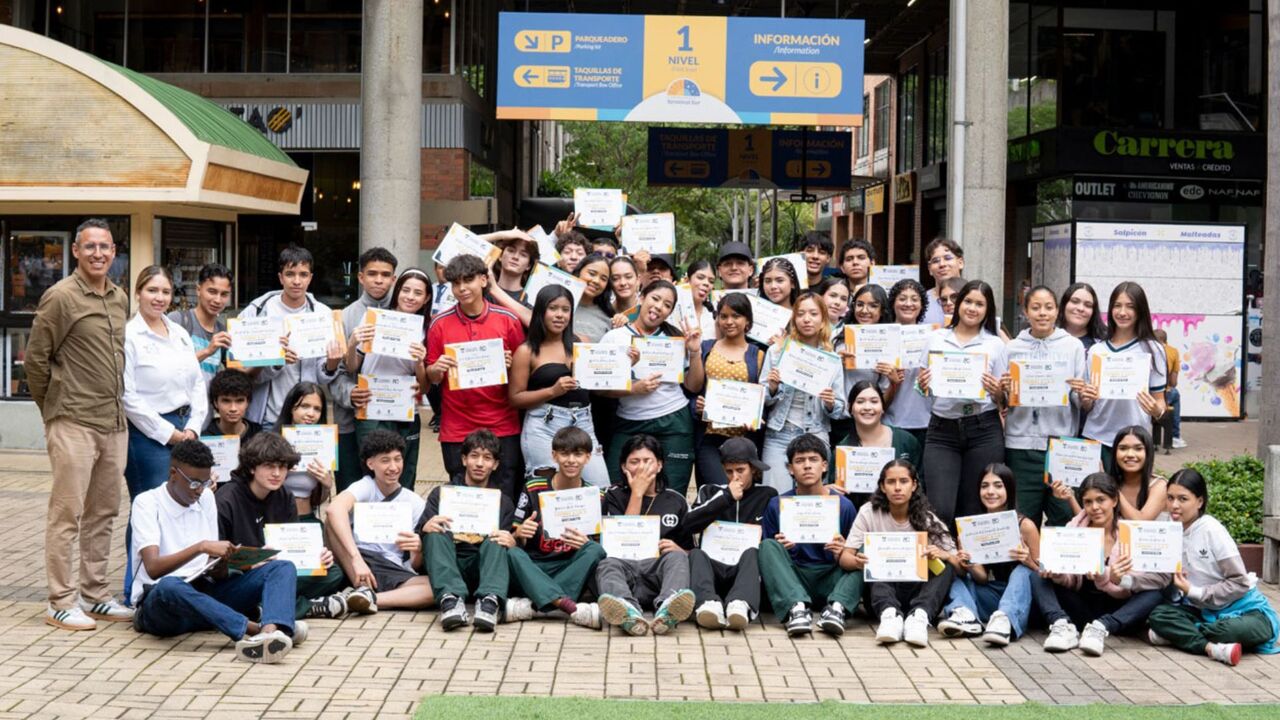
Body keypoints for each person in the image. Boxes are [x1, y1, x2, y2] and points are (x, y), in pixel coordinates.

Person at [29, 218, 133, 630]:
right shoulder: (60, 296)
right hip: (73, 419)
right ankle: (60, 600)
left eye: (105, 247)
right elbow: (37, 359)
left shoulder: (119, 297)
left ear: (114, 252)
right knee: (67, 513)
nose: (98, 254)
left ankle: (95, 594)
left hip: (114, 420)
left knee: (103, 512)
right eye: (90, 246)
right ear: (75, 251)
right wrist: (53, 410)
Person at [130, 439, 300, 664]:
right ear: (173, 474)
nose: (200, 490)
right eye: (194, 483)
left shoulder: (207, 498)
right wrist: (200, 547)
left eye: (205, 482)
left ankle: (270, 634)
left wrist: (228, 562)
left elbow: (214, 571)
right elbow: (153, 568)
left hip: (204, 596)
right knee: (170, 586)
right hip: (162, 605)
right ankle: (256, 630)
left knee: (281, 567)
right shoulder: (147, 503)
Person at [121, 265, 210, 600]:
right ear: (138, 293)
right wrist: (169, 434)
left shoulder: (179, 333)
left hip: (187, 428)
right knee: (148, 509)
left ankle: (178, 583)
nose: (159, 298)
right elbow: (128, 396)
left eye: (165, 292)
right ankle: (136, 589)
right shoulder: (129, 336)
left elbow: (197, 384)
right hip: (148, 435)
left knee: (183, 504)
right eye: (152, 290)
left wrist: (193, 427)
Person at [215, 432, 366, 620]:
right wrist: (249, 565)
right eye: (269, 466)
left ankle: (262, 609)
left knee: (333, 572)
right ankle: (305, 607)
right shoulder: (226, 500)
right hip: (242, 576)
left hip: (279, 568)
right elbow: (216, 564)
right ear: (252, 467)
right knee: (270, 579)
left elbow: (294, 545)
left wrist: (316, 557)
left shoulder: (284, 496)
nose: (277, 473)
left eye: (282, 467)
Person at [1148, 469, 1279, 665]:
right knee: (1159, 616)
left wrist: (1193, 591)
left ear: (1199, 501)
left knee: (1225, 631)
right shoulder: (1168, 530)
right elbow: (1160, 577)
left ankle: (1181, 636)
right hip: (1204, 612)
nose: (1174, 505)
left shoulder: (1211, 529)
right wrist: (1124, 579)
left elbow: (1240, 582)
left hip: (1247, 611)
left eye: (1183, 499)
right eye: (1170, 498)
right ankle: (1212, 648)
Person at [426, 254, 526, 500]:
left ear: (483, 280)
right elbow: (431, 377)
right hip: (457, 426)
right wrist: (436, 368)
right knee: (462, 498)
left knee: (504, 495)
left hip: (502, 424)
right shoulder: (439, 324)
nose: (462, 288)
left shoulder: (508, 320)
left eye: (468, 280)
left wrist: (511, 366)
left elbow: (523, 372)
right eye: (456, 283)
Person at [1033, 473, 1168, 656]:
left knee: (1155, 594)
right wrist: (1057, 574)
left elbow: (1136, 584)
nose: (1094, 507)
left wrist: (1112, 577)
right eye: (1088, 502)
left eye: (1101, 500)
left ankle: (1101, 628)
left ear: (1114, 500)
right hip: (1081, 606)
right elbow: (1070, 581)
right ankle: (1061, 625)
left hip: (1117, 610)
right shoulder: (1074, 530)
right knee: (1035, 576)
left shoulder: (1128, 534)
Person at [917, 280, 1008, 527]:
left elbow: (1002, 400)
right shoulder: (936, 338)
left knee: (975, 509)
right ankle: (945, 553)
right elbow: (922, 389)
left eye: (980, 304)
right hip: (942, 429)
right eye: (968, 301)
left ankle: (968, 554)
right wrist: (922, 385)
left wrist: (997, 391)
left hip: (983, 428)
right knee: (941, 509)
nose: (972, 308)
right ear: (958, 304)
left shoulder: (995, 344)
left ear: (988, 310)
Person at [601, 280, 704, 495]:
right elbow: (599, 389)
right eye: (655, 299)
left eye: (667, 305)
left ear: (670, 312)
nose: (659, 307)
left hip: (673, 421)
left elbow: (694, 386)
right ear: (641, 297)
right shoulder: (614, 337)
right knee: (615, 489)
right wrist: (633, 388)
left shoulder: (676, 338)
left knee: (672, 492)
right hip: (629, 421)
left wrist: (695, 352)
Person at [758, 433, 861, 637]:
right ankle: (796, 608)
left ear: (824, 466)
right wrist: (784, 549)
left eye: (813, 460)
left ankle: (837, 608)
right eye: (799, 461)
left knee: (864, 553)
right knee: (768, 546)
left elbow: (853, 551)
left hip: (832, 579)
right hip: (794, 578)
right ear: (790, 468)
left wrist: (843, 553)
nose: (807, 466)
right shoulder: (777, 505)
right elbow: (769, 557)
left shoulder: (844, 505)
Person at [847, 460, 958, 648]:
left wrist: (942, 555)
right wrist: (858, 562)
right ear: (883, 486)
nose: (897, 488)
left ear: (914, 485)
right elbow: (845, 557)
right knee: (870, 553)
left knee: (947, 564)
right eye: (891, 482)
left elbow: (960, 566)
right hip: (881, 594)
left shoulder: (927, 517)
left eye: (904, 481)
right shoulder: (869, 512)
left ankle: (919, 618)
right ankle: (890, 616)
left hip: (920, 591)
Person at [1003, 285, 1087, 528]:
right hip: (1020, 445)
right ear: (1025, 311)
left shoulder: (1072, 346)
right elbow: (1003, 400)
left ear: (1057, 311)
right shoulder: (1012, 348)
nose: (1042, 313)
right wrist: (1004, 389)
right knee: (1023, 518)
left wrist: (1083, 393)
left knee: (1065, 516)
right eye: (1036, 307)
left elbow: (1080, 400)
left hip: (1060, 444)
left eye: (1049, 307)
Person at [509, 286, 610, 487]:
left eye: (565, 309)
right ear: (541, 311)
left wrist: (625, 365)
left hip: (583, 422)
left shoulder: (581, 342)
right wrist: (552, 391)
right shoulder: (527, 351)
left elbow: (600, 381)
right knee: (547, 490)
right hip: (544, 425)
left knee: (600, 488)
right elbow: (515, 398)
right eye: (553, 308)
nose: (559, 315)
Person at [596, 435, 697, 636]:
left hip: (657, 573)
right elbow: (622, 538)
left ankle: (668, 609)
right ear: (624, 466)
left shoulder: (676, 500)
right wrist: (637, 493)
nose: (641, 467)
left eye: (647, 461)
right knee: (606, 564)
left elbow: (692, 551)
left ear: (659, 465)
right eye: (634, 462)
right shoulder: (613, 495)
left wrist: (680, 550)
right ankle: (627, 612)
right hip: (624, 569)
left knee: (677, 558)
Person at [509, 427, 607, 629]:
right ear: (554, 455)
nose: (571, 460)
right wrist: (519, 533)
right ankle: (568, 606)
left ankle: (534, 605)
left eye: (578, 454)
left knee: (596, 550)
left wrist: (587, 543)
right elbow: (513, 536)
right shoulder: (533, 487)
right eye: (564, 453)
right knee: (512, 553)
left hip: (570, 567)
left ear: (588, 457)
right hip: (535, 566)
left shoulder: (595, 496)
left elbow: (601, 545)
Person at [325, 430, 434, 610]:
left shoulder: (414, 502)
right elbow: (334, 509)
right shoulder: (366, 486)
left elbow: (414, 564)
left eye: (397, 459)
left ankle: (361, 599)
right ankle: (361, 592)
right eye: (385, 460)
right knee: (331, 521)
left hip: (390, 568)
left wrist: (418, 549)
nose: (393, 467)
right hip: (357, 561)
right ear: (370, 463)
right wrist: (356, 559)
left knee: (435, 587)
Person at [420, 429, 516, 632]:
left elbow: (505, 548)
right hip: (449, 565)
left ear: (495, 464)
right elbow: (421, 544)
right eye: (474, 456)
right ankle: (450, 601)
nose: (480, 463)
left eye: (487, 458)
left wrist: (512, 540)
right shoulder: (441, 495)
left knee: (497, 538)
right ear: (464, 459)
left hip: (483, 570)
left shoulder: (503, 502)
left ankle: (489, 602)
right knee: (434, 532)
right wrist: (425, 529)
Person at [935, 463, 1041, 646]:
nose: (990, 492)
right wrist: (970, 564)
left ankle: (1005, 619)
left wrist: (1028, 561)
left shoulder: (1025, 526)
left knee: (1022, 571)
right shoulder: (971, 527)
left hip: (1023, 600)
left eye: (998, 486)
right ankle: (966, 615)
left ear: (1009, 489)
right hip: (992, 595)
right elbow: (982, 579)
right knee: (957, 575)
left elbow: (1043, 575)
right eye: (985, 486)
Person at [344, 268, 430, 490]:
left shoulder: (426, 329)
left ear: (426, 298)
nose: (410, 297)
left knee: (404, 474)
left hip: (405, 408)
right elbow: (352, 366)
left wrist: (420, 363)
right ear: (397, 290)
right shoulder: (374, 318)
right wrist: (352, 344)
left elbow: (424, 388)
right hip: (371, 406)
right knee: (372, 473)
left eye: (418, 293)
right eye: (405, 290)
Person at [237, 245, 342, 428]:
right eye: (290, 274)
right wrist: (276, 360)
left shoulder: (323, 315)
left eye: (303, 274)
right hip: (267, 417)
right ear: (280, 277)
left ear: (310, 278)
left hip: (305, 419)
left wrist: (332, 364)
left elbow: (322, 378)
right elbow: (243, 373)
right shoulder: (256, 312)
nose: (297, 281)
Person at [684, 437, 777, 630]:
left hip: (747, 573)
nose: (735, 477)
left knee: (753, 552)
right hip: (714, 568)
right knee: (696, 554)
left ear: (753, 469)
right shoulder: (709, 491)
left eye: (740, 470)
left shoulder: (767, 494)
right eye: (729, 471)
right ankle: (707, 604)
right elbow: (689, 524)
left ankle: (741, 604)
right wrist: (726, 497)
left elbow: (773, 532)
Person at [760, 293, 846, 491]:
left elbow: (840, 409)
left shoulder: (831, 359)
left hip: (815, 433)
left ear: (823, 319)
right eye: (801, 314)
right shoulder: (776, 352)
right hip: (779, 434)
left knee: (813, 500)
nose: (807, 319)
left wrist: (830, 402)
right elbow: (761, 399)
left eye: (813, 314)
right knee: (776, 495)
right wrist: (772, 388)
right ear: (794, 319)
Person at [1079, 282, 1168, 472]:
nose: (1122, 312)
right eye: (1117, 305)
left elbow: (1160, 401)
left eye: (1130, 306)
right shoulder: (1096, 350)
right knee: (1097, 490)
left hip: (1134, 442)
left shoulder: (1153, 349)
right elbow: (1089, 405)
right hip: (1096, 437)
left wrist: (1156, 410)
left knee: (1131, 491)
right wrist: (1086, 399)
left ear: (1140, 310)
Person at [331, 247, 398, 491]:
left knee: (389, 489)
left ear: (394, 279)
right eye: (372, 274)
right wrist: (350, 393)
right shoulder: (344, 317)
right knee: (351, 488)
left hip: (393, 415)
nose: (378, 280)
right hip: (350, 419)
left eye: (385, 274)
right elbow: (334, 371)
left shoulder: (404, 315)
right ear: (360, 277)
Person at [692, 293, 765, 489]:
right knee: (719, 491)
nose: (729, 321)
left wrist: (757, 416)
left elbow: (763, 396)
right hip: (710, 436)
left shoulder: (758, 355)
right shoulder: (706, 348)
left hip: (743, 440)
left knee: (741, 493)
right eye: (723, 316)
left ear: (747, 320)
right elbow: (694, 387)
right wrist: (697, 405)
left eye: (736, 316)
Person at [273, 382, 338, 520]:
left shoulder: (323, 445)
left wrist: (327, 485)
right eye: (305, 406)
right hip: (276, 518)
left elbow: (318, 501)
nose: (311, 414)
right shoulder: (271, 442)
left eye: (317, 409)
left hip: (307, 516)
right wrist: (282, 470)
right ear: (291, 407)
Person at [835, 380, 923, 481]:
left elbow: (920, 482)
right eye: (860, 402)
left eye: (874, 401)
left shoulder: (906, 441)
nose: (867, 407)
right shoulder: (842, 450)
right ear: (850, 408)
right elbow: (835, 487)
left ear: (882, 407)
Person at [884, 278, 931, 447]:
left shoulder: (934, 336)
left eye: (914, 299)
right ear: (893, 303)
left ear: (922, 305)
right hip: (892, 421)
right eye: (902, 298)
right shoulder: (881, 336)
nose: (908, 304)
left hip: (926, 420)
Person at [169, 263, 232, 383]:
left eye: (224, 294)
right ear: (198, 290)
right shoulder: (177, 320)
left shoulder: (223, 332)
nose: (217, 300)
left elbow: (238, 373)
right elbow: (166, 366)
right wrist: (207, 351)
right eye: (212, 292)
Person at [202, 369, 262, 441]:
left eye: (239, 401)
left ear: (247, 402)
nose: (233, 408)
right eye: (226, 401)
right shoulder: (205, 439)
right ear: (215, 402)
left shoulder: (259, 435)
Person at [1152, 328, 1183, 452]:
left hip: (1147, 394)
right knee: (1175, 395)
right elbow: (1173, 382)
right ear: (1166, 340)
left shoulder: (1146, 350)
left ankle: (1155, 441)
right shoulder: (1173, 351)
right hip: (1165, 393)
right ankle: (1175, 437)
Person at [572, 253, 615, 342]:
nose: (596, 281)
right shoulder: (559, 305)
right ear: (579, 272)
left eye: (603, 279)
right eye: (592, 274)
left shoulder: (609, 317)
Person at [921, 237, 965, 325]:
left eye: (947, 258)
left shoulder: (975, 296)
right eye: (935, 261)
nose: (942, 264)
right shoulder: (921, 302)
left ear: (960, 263)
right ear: (929, 269)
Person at [1057, 282, 1106, 355]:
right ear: (1064, 304)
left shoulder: (1103, 343)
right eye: (1075, 301)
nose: (1081, 308)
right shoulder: (1048, 337)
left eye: (1088, 305)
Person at [683, 260, 719, 341]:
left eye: (711, 281)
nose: (706, 283)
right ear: (687, 280)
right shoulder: (674, 312)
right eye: (700, 277)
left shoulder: (714, 315)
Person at [608, 256, 642, 326]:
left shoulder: (647, 308)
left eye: (628, 277)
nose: (623, 283)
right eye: (615, 278)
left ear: (638, 280)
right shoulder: (604, 310)